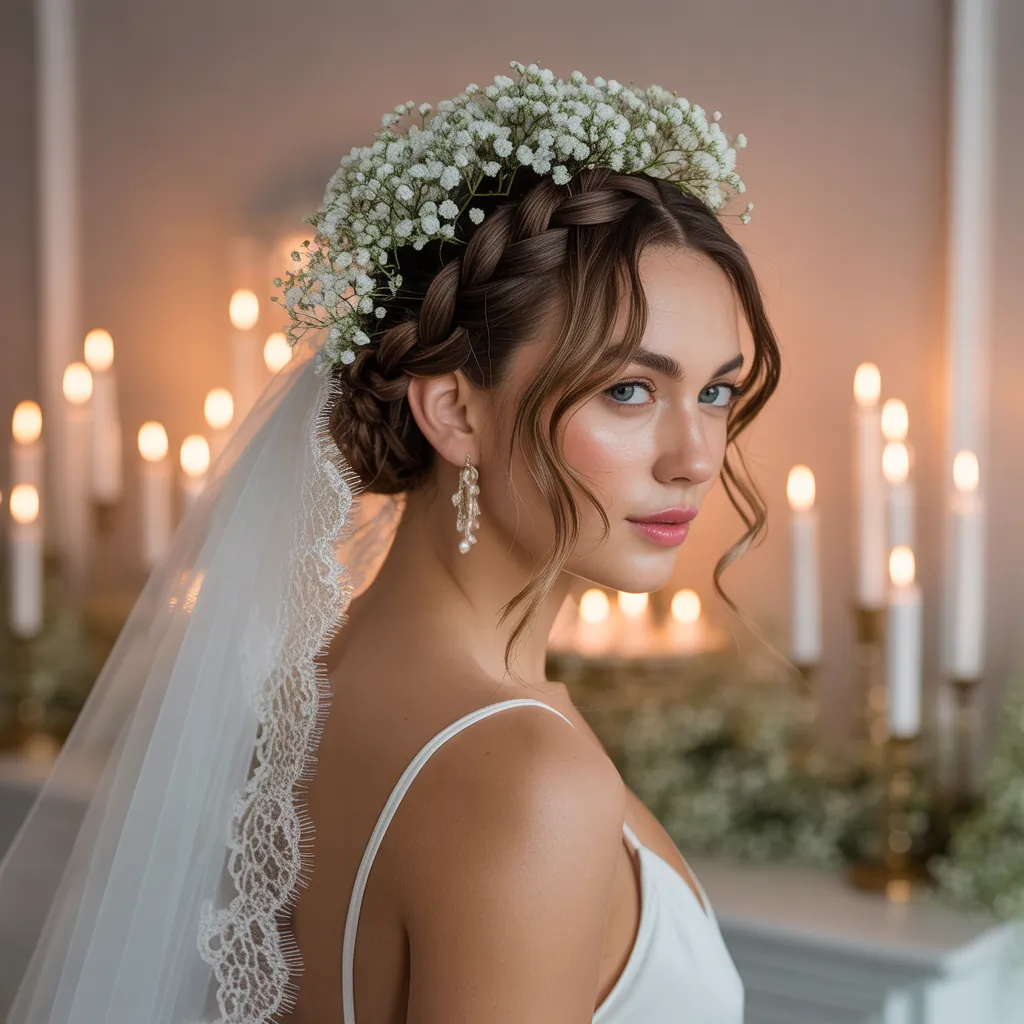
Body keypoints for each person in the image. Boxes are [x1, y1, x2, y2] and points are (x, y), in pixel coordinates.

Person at [0, 61, 779, 1023]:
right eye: (629, 390)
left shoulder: (291, 687)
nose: (696, 457)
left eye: (714, 391)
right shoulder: (529, 784)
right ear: (454, 410)